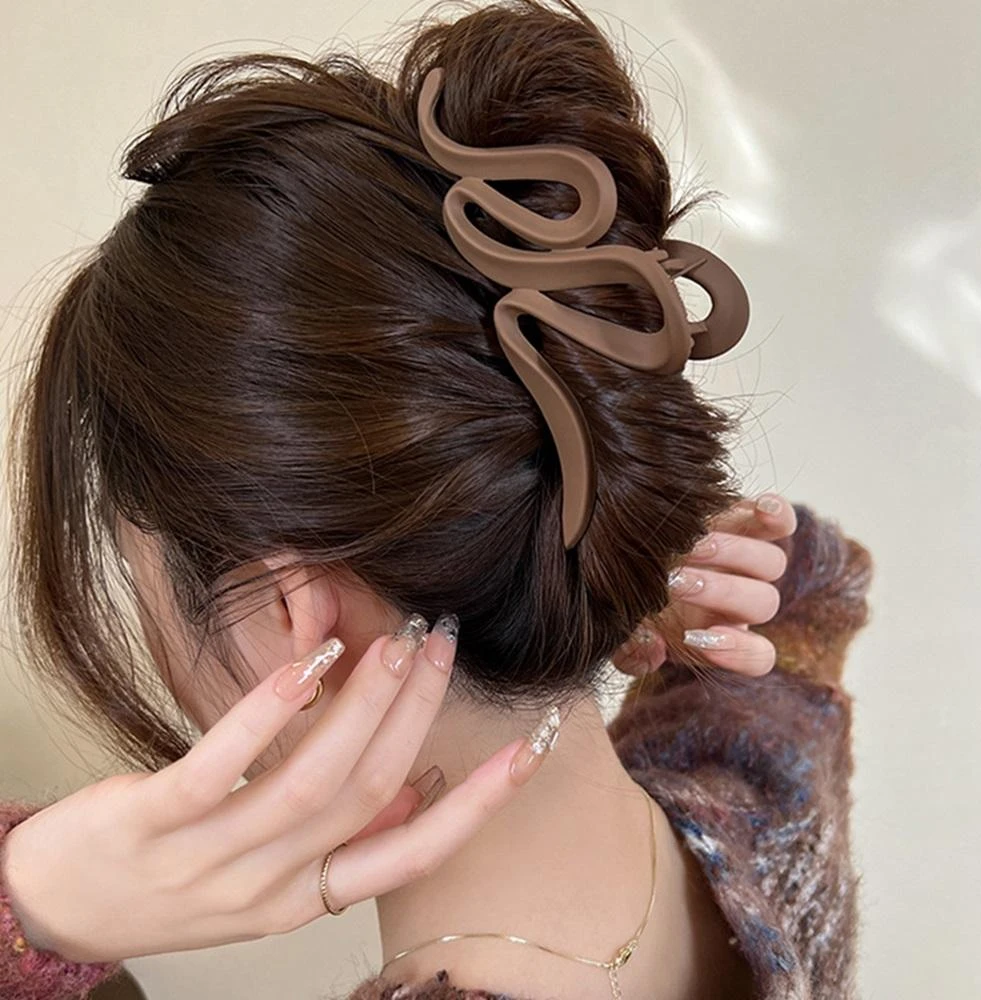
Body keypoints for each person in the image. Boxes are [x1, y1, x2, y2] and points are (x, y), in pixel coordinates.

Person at [0, 1, 874, 998]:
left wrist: (28, 907)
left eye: (138, 570)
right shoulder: (764, 803)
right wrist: (627, 552)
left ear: (297, 619)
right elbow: (808, 599)